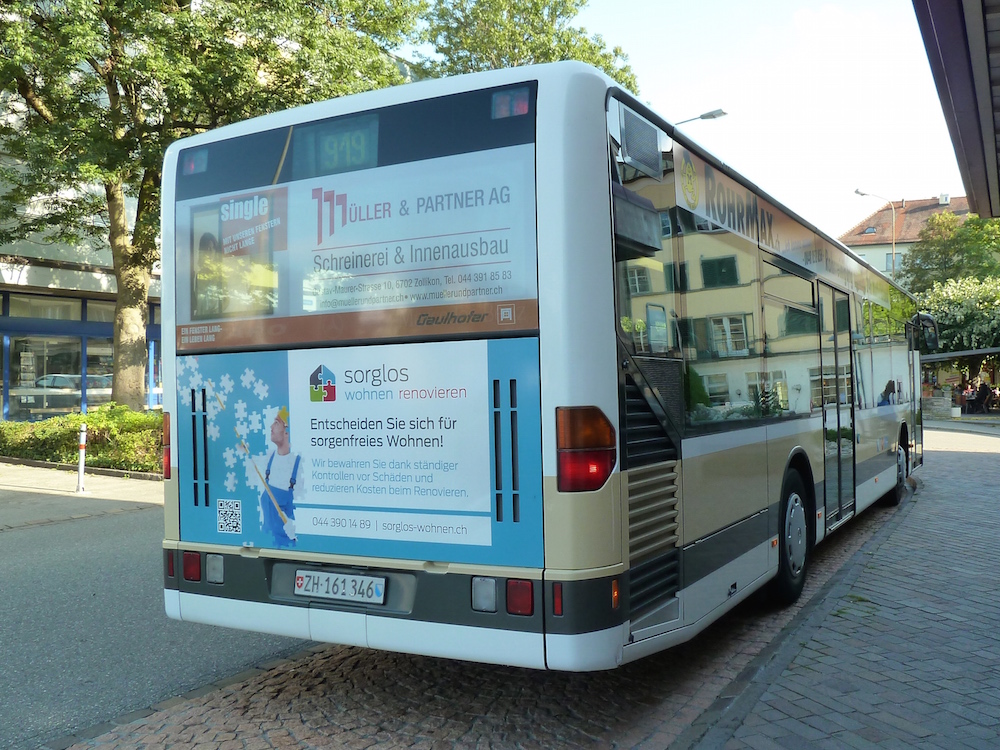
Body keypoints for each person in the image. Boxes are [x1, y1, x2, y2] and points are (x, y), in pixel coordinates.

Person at [243, 406, 302, 547]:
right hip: (265, 545)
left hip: (287, 547)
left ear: (287, 432)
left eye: (276, 423)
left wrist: (293, 528)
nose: (271, 427)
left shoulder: (299, 466)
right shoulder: (268, 460)